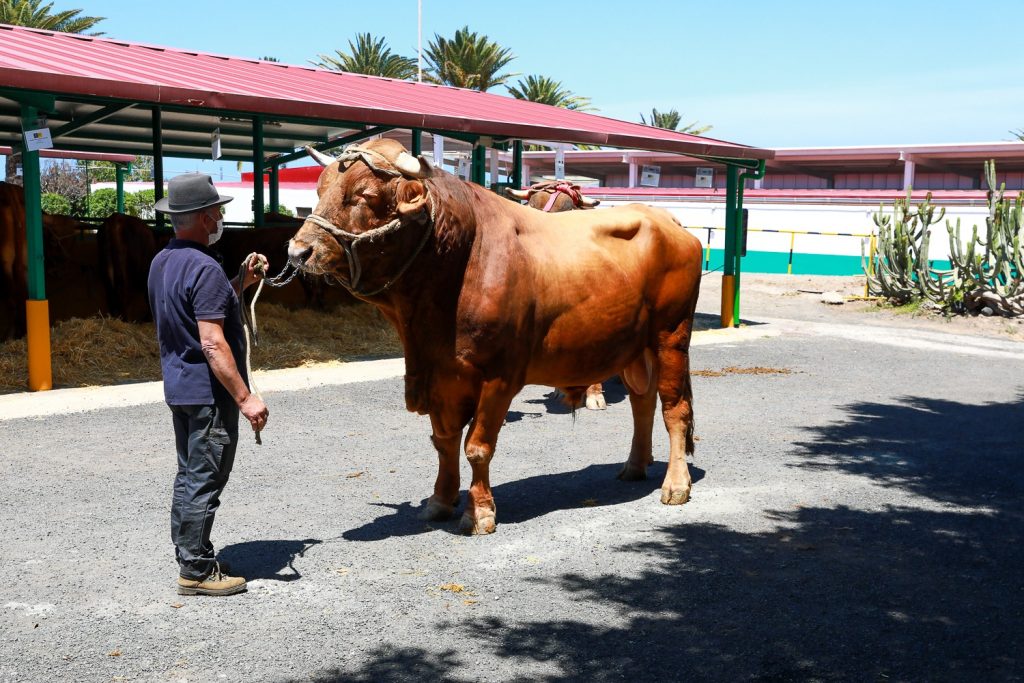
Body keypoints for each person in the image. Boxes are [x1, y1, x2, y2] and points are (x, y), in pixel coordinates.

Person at [148, 173, 269, 597]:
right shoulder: (204, 266)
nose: (220, 217)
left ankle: (191, 555)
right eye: (217, 210)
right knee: (207, 478)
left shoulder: (163, 261)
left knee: (190, 474)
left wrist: (240, 282)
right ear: (202, 217)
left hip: (180, 387)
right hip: (209, 394)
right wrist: (245, 397)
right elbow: (213, 342)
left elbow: (198, 309)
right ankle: (196, 571)